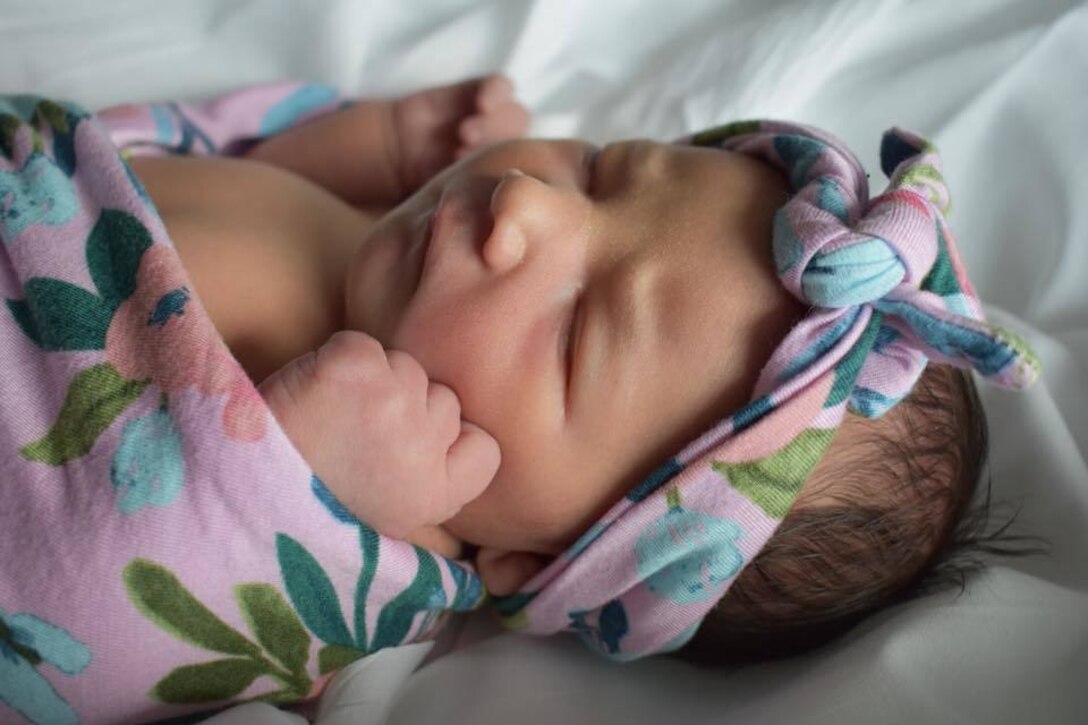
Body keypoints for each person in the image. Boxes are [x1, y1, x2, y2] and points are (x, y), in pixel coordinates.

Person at [0, 75, 1037, 722]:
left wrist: (290, 487)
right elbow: (211, 162)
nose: (525, 205)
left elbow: (77, 616)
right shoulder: (376, 236)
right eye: (599, 171)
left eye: (576, 325)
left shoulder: (372, 555)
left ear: (531, 559)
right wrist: (382, 144)